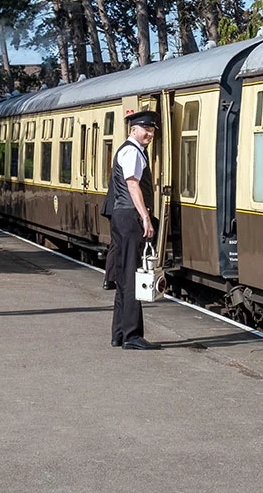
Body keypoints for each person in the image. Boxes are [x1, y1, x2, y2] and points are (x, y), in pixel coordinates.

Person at [103, 109, 161, 350]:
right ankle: (132, 335)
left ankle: (119, 333)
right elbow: (132, 185)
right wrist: (145, 217)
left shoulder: (132, 150)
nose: (148, 133)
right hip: (129, 216)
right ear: (133, 129)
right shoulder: (132, 152)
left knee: (124, 275)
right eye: (145, 129)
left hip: (123, 216)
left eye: (151, 130)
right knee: (130, 276)